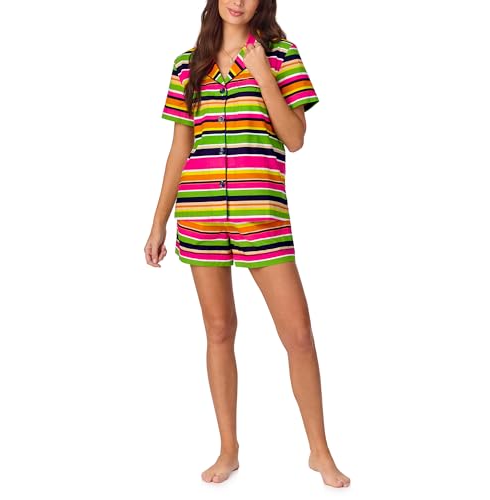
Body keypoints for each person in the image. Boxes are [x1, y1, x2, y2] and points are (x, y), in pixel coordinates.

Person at [144, 0, 351, 489]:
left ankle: (319, 452)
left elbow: (294, 138)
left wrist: (261, 75)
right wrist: (158, 221)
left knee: (298, 335)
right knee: (218, 330)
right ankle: (228, 448)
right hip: (200, 213)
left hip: (261, 213)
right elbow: (180, 147)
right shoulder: (187, 64)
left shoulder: (281, 55)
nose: (237, 1)